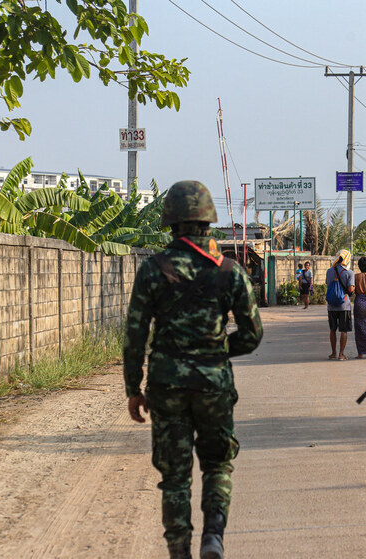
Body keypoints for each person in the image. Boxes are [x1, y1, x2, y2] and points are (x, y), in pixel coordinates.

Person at [123, 180, 263, 559]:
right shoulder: (230, 271)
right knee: (217, 465)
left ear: (169, 222)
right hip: (213, 384)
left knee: (175, 476)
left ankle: (179, 551)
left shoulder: (152, 270)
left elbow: (135, 333)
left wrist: (133, 388)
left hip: (166, 385)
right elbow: (252, 334)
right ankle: (213, 536)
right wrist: (217, 351)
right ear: (208, 220)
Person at [326, 249, 355, 360]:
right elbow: (350, 289)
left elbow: (328, 284)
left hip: (331, 305)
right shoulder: (349, 272)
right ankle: (341, 354)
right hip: (344, 305)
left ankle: (333, 352)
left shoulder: (329, 271)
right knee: (344, 330)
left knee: (332, 330)